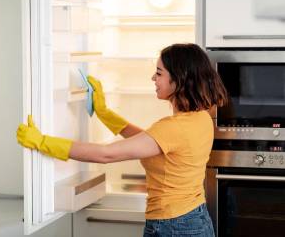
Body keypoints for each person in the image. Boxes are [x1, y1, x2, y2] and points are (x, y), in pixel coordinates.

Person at [17, 43, 228, 237]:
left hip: (173, 225)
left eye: (159, 73)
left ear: (179, 78)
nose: (153, 79)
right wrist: (104, 112)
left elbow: (106, 154)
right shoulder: (201, 118)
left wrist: (43, 142)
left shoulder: (173, 128)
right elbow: (148, 140)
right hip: (194, 218)